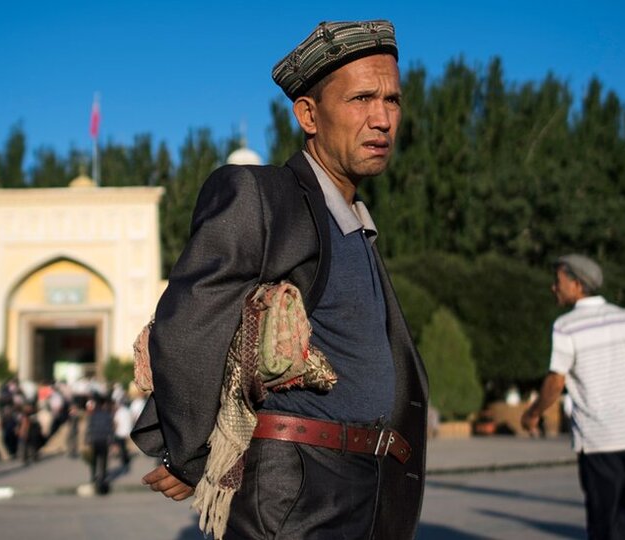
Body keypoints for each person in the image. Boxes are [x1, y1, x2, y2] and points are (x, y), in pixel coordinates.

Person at [131, 20, 428, 540]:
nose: (382, 118)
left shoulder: (356, 226)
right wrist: (192, 451)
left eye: (392, 100)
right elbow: (187, 321)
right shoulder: (262, 196)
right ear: (309, 115)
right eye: (361, 99)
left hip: (371, 489)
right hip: (296, 491)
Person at [522, 254, 625, 538]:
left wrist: (533, 413)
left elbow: (556, 380)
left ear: (577, 285)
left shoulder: (566, 326)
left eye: (558, 281)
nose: (554, 287)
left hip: (600, 442)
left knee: (610, 524)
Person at [85, 395, 115, 495]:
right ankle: (103, 478)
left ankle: (93, 477)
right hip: (104, 440)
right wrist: (112, 441)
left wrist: (87, 440)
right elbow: (110, 429)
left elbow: (89, 428)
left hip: (94, 440)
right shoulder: (107, 415)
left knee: (94, 460)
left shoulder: (93, 415)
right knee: (104, 460)